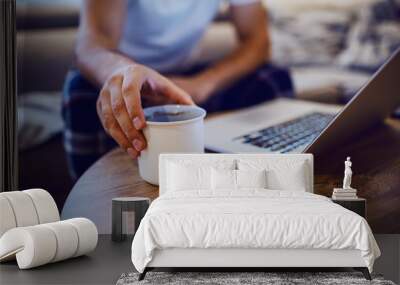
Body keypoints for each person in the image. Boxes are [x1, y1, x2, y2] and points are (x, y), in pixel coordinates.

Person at [63, 0, 294, 179]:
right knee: (80, 95)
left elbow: (257, 41)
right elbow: (91, 46)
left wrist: (202, 85)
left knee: (272, 79)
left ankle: (266, 180)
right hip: (120, 68)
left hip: (186, 75)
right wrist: (122, 71)